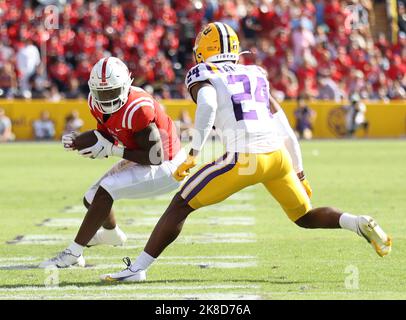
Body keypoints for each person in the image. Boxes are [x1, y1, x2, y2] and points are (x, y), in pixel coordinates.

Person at [100, 22, 392, 282]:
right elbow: (285, 128)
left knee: (181, 204)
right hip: (277, 157)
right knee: (304, 216)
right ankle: (356, 222)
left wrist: (193, 153)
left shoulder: (203, 72)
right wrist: (299, 172)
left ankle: (137, 268)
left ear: (204, 49)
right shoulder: (255, 73)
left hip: (243, 159)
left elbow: (209, 105)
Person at [40, 56, 185, 268]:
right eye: (102, 93)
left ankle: (73, 253)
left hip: (169, 165)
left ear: (127, 86)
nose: (107, 99)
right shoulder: (93, 103)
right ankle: (112, 235)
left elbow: (155, 157)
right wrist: (77, 140)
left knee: (105, 191)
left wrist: (112, 150)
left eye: (112, 92)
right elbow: (106, 134)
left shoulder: (139, 109)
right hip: (144, 156)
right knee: (91, 198)